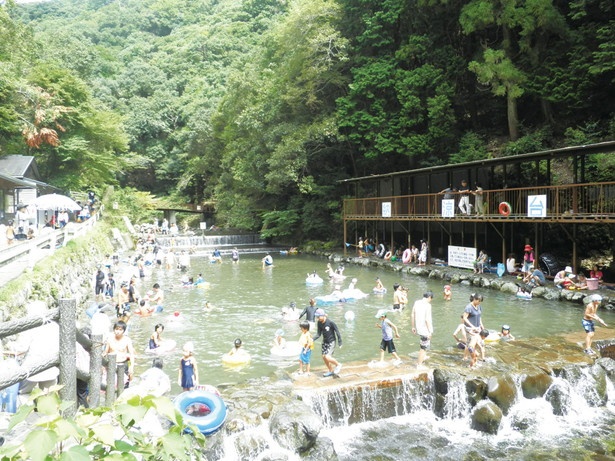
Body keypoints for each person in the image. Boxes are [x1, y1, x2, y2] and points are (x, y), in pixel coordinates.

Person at [103, 321, 136, 385]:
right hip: (112, 364)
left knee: (125, 385)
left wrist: (131, 367)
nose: (118, 331)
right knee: (111, 384)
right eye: (116, 329)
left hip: (123, 364)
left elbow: (132, 354)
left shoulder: (127, 340)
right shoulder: (109, 339)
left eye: (120, 330)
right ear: (114, 329)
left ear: (124, 331)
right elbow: (105, 352)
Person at [312, 309, 343, 377]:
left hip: (331, 342)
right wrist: (312, 339)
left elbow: (337, 332)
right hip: (325, 342)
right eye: (316, 317)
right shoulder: (319, 323)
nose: (317, 318)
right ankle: (330, 370)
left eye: (318, 317)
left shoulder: (330, 322)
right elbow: (318, 334)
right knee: (324, 357)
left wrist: (340, 342)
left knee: (327, 356)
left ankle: (338, 365)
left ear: (323, 315)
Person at [411, 291, 434, 368]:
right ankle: (419, 364)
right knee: (423, 347)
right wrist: (430, 331)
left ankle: (424, 356)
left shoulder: (417, 302)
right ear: (429, 297)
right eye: (431, 299)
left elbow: (412, 314)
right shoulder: (428, 305)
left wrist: (413, 326)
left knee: (425, 343)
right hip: (425, 329)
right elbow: (427, 319)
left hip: (418, 327)